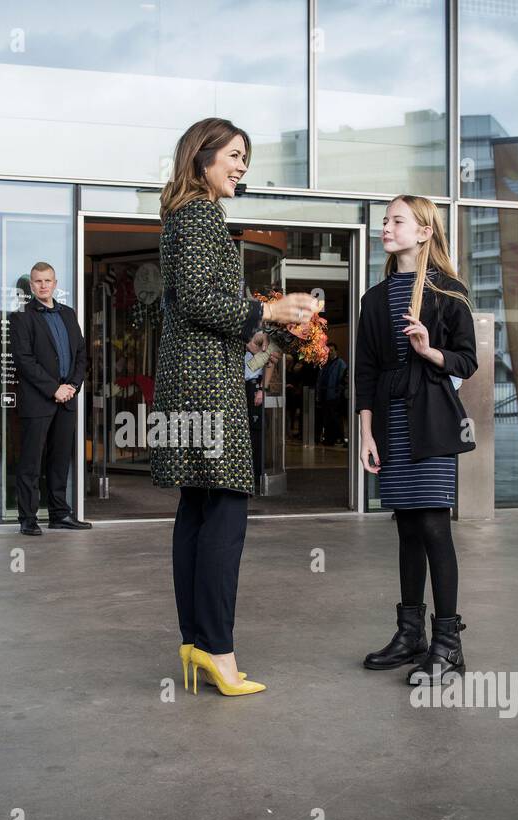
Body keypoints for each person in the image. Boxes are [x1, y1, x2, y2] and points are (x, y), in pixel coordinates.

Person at [153, 117, 314, 697]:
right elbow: (199, 298)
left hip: (190, 378)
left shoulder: (183, 213)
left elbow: (196, 302)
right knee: (224, 514)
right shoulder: (199, 214)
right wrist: (267, 314)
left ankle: (198, 641)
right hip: (205, 387)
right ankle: (216, 649)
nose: (243, 166)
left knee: (198, 510)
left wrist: (251, 326)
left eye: (247, 157)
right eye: (235, 155)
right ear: (203, 157)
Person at [357, 195, 477, 685]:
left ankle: (448, 645)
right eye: (385, 221)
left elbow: (466, 361)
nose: (386, 227)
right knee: (407, 528)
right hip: (391, 423)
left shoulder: (450, 293)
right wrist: (367, 432)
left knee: (433, 528)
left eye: (396, 220)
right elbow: (364, 371)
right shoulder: (374, 297)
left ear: (424, 231)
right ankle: (411, 636)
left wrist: (431, 352)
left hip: (431, 422)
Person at [12, 261, 91, 535]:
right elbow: (24, 360)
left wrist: (72, 385)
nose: (43, 285)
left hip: (67, 398)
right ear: (31, 285)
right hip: (38, 400)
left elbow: (81, 353)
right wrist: (53, 388)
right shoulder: (21, 317)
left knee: (60, 460)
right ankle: (28, 518)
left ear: (55, 284)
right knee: (31, 462)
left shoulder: (68, 314)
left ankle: (59, 514)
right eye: (37, 281)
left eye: (48, 281)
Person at [244, 330, 277, 486]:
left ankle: (256, 474)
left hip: (254, 385)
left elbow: (270, 363)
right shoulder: (238, 330)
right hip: (238, 383)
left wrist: (262, 389)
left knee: (255, 432)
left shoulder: (265, 336)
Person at [316, 342, 347, 445]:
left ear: (336, 351)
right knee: (327, 419)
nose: (330, 353)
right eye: (328, 351)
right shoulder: (325, 364)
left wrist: (338, 393)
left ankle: (338, 438)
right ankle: (328, 439)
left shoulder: (340, 363)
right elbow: (320, 379)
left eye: (332, 350)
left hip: (334, 396)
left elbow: (342, 380)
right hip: (325, 395)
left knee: (335, 419)